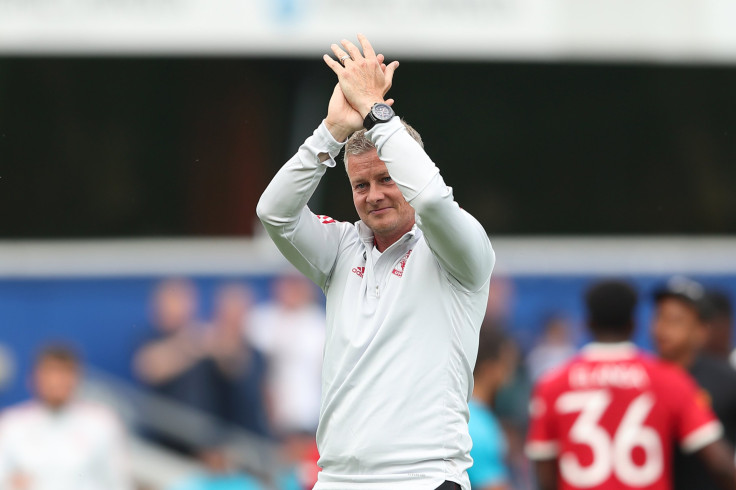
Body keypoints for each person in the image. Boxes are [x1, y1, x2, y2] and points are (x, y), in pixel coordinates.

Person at [256, 34, 494, 490]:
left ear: (406, 170)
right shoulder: (342, 250)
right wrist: (330, 132)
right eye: (360, 185)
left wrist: (376, 113)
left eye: (386, 178)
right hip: (337, 480)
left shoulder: (460, 252)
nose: (373, 195)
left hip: (424, 478)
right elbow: (275, 213)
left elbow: (434, 202)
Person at [526, 279, 735, 490]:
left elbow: (544, 474)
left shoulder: (550, 384)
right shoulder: (670, 381)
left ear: (587, 323)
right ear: (634, 325)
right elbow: (721, 465)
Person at [0, 345, 132, 490]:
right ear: (33, 378)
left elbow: (117, 481)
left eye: (64, 373)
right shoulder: (11, 423)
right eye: (50, 372)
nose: (57, 381)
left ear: (77, 377)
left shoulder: (102, 422)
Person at [651, 276, 736, 490]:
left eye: (676, 320)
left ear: (700, 330)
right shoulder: (641, 378)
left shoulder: (726, 380)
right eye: (660, 317)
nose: (663, 329)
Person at [248, 273, 325, 436]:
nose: (291, 291)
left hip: (309, 414)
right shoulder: (261, 319)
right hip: (269, 415)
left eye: (297, 285)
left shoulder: (319, 323)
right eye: (288, 284)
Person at [467, 327, 515, 490]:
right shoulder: (479, 426)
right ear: (489, 369)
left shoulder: (467, 415)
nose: (510, 373)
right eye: (506, 363)